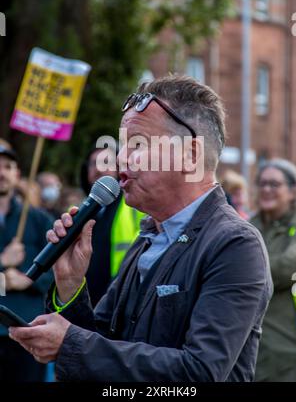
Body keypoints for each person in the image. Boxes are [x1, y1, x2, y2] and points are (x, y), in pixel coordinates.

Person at [10, 76, 272, 382]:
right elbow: (104, 345)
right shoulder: (149, 238)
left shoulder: (235, 245)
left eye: (138, 144)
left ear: (191, 155)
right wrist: (70, 284)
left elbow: (200, 373)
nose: (120, 160)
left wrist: (70, 343)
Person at [0, 142, 53, 382]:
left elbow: (58, 270)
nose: (2, 172)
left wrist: (28, 281)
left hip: (27, 331)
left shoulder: (39, 220)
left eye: (8, 166)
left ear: (17, 174)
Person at [250, 159, 296, 381]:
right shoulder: (249, 227)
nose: (266, 189)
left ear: (293, 191)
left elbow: (287, 268)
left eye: (274, 184)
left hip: (288, 352)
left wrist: (242, 272)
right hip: (251, 350)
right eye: (262, 184)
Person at [79, 142, 144, 306]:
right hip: (85, 301)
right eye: (94, 163)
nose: (99, 169)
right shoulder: (79, 211)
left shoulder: (135, 205)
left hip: (121, 297)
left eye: (106, 162)